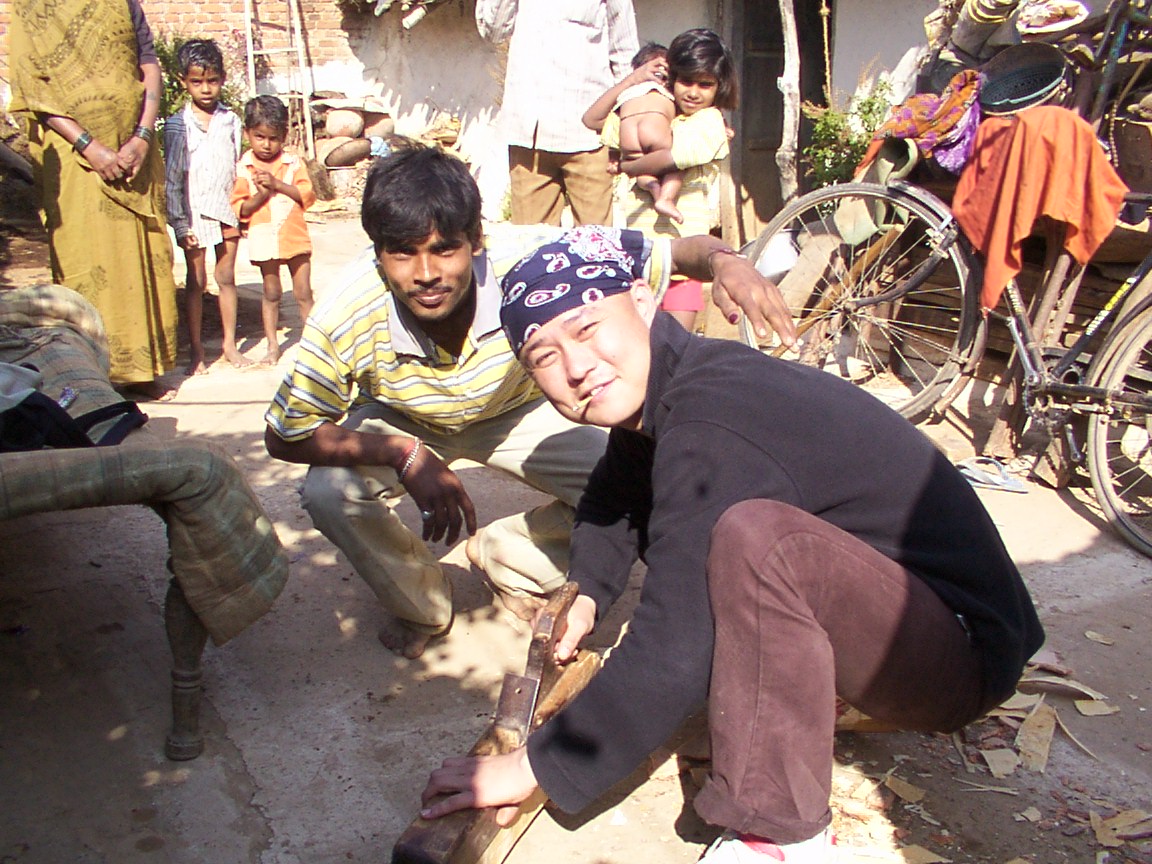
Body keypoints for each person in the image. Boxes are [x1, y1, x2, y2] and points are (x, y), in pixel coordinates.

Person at [417, 229, 1045, 863]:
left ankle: (778, 832)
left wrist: (538, 765)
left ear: (643, 301)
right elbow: (613, 495)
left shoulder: (711, 418)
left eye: (587, 329)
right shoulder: (676, 383)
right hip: (916, 622)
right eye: (544, 357)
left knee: (758, 543)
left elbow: (677, 642)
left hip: (959, 657)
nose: (576, 367)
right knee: (740, 552)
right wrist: (587, 593)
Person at [262, 142, 796, 661]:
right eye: (402, 252)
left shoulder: (533, 256)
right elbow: (285, 433)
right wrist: (402, 452)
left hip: (514, 407)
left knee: (651, 484)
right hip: (403, 418)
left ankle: (508, 556)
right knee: (329, 492)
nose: (424, 274)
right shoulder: (346, 311)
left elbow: (675, 253)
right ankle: (422, 607)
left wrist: (727, 262)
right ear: (378, 253)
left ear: (476, 239)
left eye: (444, 249)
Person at [10, 0, 179, 401]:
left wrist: (143, 136)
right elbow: (34, 90)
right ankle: (92, 372)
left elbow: (147, 61)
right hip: (75, 158)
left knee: (139, 253)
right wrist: (90, 146)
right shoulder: (32, 8)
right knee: (87, 256)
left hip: (135, 151)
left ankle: (140, 371)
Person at [591, 28, 739, 331]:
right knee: (638, 346)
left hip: (684, 262)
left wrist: (628, 165)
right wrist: (633, 81)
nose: (693, 92)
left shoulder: (709, 122)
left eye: (705, 84)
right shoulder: (654, 115)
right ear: (671, 78)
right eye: (686, 81)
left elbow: (672, 158)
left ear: (719, 87)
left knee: (675, 346)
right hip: (640, 258)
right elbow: (594, 119)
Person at [475, 0, 638, 227]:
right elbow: (494, 32)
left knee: (595, 242)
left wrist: (627, 124)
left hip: (589, 137)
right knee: (531, 243)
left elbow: (625, 54)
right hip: (529, 135)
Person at [164, 38, 249, 375]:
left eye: (212, 80)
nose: (205, 89)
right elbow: (173, 178)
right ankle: (197, 349)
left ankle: (229, 345)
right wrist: (180, 223)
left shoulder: (231, 121)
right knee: (196, 281)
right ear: (183, 81)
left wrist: (243, 209)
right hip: (194, 211)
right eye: (197, 81)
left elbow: (236, 166)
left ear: (222, 79)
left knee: (226, 277)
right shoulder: (177, 125)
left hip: (226, 208)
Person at [231, 95, 315, 366]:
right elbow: (241, 208)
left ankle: (314, 347)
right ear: (247, 134)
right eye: (260, 137)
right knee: (271, 292)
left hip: (294, 235)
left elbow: (307, 195)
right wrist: (261, 195)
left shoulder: (293, 163)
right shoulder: (244, 168)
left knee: (303, 293)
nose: (266, 145)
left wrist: (277, 185)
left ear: (284, 136)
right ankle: (272, 346)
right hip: (264, 237)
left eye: (273, 138)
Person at [582, 43, 684, 223]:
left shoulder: (628, 94)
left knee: (642, 171)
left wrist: (629, 81)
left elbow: (590, 120)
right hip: (655, 131)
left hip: (629, 139)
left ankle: (654, 190)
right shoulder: (665, 91)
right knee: (677, 163)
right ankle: (666, 198)